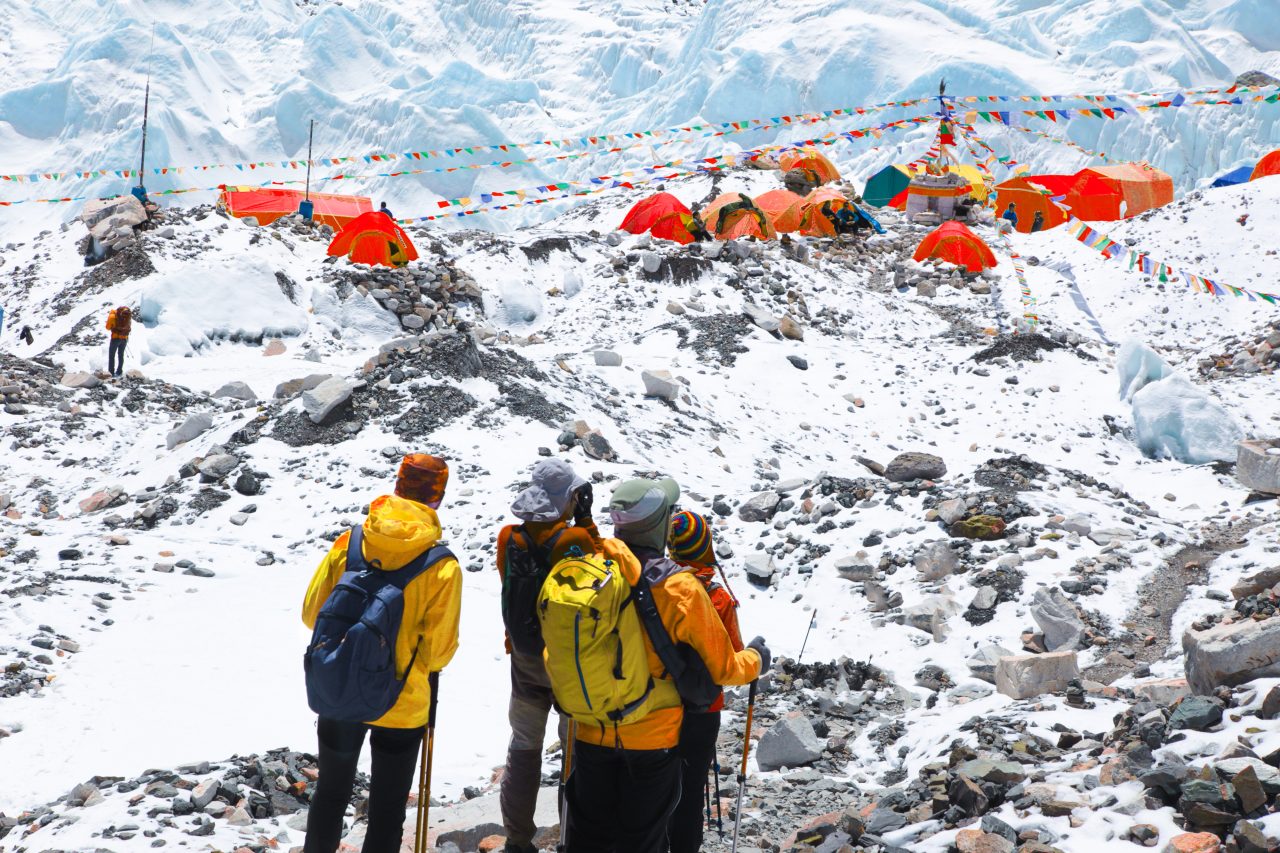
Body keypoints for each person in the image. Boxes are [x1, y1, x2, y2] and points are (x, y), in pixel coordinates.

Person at [558, 477, 768, 853]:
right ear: (658, 525)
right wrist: (756, 659)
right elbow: (724, 668)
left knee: (588, 838)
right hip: (652, 738)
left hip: (592, 728)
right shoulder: (678, 587)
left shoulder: (589, 566)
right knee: (642, 839)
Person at [301, 455, 462, 853]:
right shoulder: (441, 565)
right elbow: (439, 650)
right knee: (389, 807)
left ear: (397, 486)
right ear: (437, 497)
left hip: (340, 692)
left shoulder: (351, 541)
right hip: (402, 701)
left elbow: (311, 615)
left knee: (331, 793)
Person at [496, 459, 602, 853]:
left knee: (524, 744)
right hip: (567, 661)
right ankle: (571, 836)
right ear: (567, 498)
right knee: (572, 747)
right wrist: (587, 520)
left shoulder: (509, 537)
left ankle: (517, 839)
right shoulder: (575, 541)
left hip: (523, 657)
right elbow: (604, 568)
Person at [665, 511, 745, 853]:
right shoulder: (718, 597)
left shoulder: (660, 587)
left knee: (660, 782)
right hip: (703, 708)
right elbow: (734, 657)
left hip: (662, 705)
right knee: (692, 783)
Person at [105, 306, 132, 377]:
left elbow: (107, 327)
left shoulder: (112, 316)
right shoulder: (127, 315)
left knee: (111, 356)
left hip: (115, 338)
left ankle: (111, 372)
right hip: (124, 338)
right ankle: (119, 371)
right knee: (121, 355)